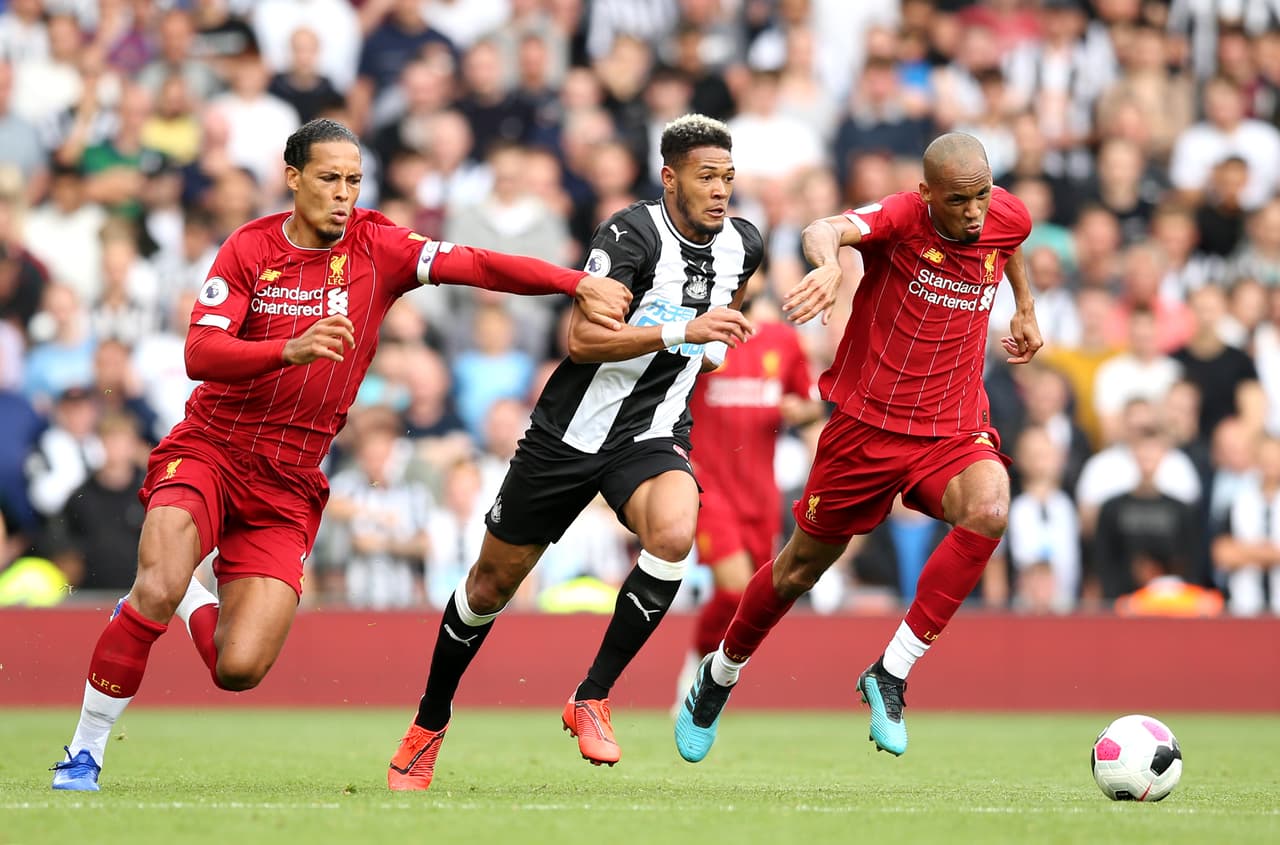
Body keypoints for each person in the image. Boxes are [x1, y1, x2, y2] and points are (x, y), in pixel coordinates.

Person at [49, 118, 631, 792]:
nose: (344, 193)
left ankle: (190, 594)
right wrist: (286, 348)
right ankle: (84, 752)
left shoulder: (378, 248)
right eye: (330, 178)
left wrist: (572, 283)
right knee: (152, 584)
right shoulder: (248, 248)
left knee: (238, 668)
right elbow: (198, 353)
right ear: (293, 177)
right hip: (211, 448)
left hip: (288, 480)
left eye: (354, 180)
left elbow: (473, 261)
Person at [387, 114, 760, 791]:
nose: (721, 191)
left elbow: (726, 315)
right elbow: (585, 342)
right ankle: (428, 722)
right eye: (707, 177)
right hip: (567, 434)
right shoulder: (630, 234)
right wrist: (685, 330)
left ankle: (592, 695)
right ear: (671, 178)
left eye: (729, 178)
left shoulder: (745, 245)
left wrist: (710, 345)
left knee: (676, 533)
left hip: (651, 432)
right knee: (489, 585)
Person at [675, 132, 1042, 763]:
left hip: (951, 427)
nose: (976, 212)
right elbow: (825, 228)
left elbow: (1010, 245)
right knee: (798, 569)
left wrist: (1026, 308)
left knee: (990, 508)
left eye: (983, 195)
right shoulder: (901, 216)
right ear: (928, 194)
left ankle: (890, 672)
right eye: (960, 201)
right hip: (867, 429)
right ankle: (720, 675)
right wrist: (826, 264)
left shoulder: (1004, 215)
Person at [684, 295, 822, 671]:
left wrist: (803, 410)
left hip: (761, 495)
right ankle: (697, 667)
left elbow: (812, 404)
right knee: (732, 591)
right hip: (709, 487)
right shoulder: (703, 338)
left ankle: (714, 678)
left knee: (754, 601)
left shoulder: (783, 341)